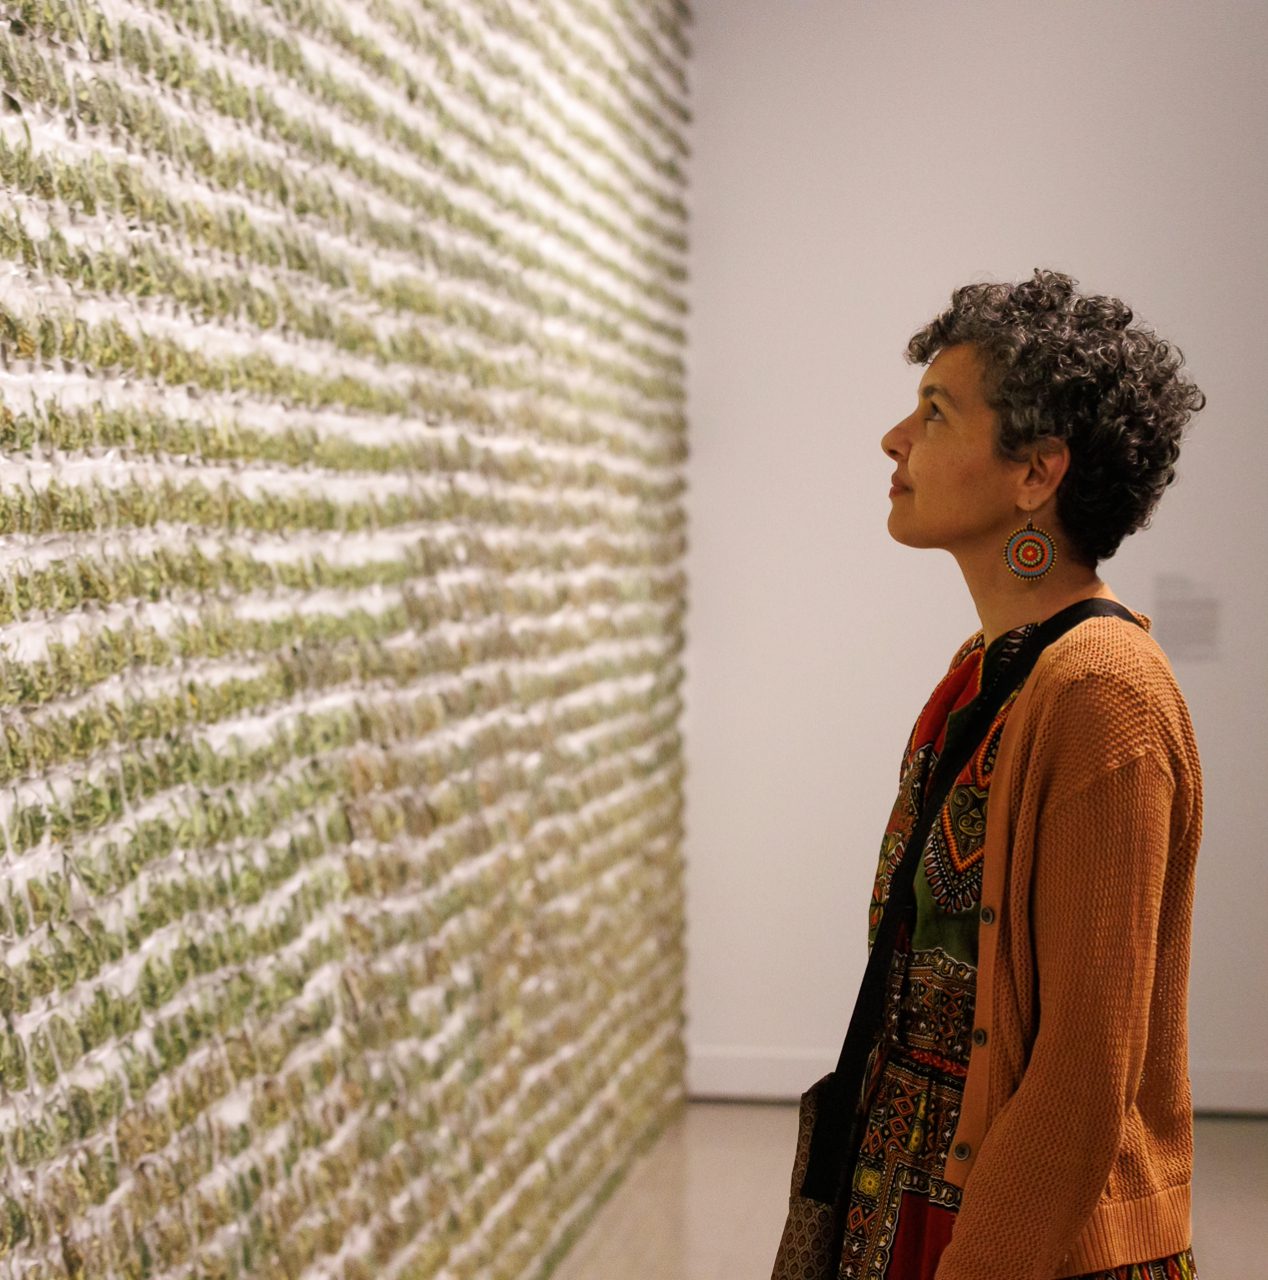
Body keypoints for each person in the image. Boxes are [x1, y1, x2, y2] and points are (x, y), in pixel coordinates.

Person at [846, 269, 1206, 1279]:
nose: (893, 439)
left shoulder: (1102, 692)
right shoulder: (986, 669)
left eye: (935, 412)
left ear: (1036, 473)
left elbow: (1084, 1072)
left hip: (1026, 1239)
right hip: (918, 1197)